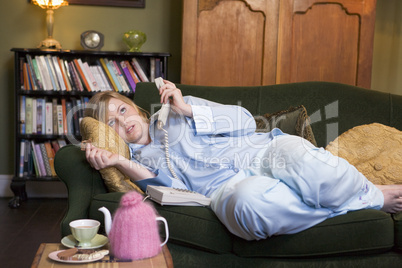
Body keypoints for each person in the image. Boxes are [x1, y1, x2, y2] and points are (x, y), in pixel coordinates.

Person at [83, 79, 402, 241]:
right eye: (109, 122)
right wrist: (122, 163)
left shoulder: (181, 106)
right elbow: (175, 193)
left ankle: (371, 195)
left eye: (121, 110)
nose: (121, 122)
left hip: (263, 153)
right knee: (248, 206)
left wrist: (188, 110)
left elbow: (245, 121)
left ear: (133, 106)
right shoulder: (139, 163)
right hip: (227, 189)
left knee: (303, 159)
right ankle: (360, 198)